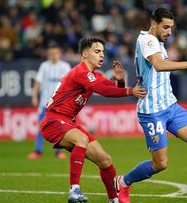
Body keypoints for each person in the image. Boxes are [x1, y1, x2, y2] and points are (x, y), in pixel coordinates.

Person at [115, 8, 187, 203]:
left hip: (170, 106)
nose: (169, 32)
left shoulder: (157, 42)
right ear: (153, 23)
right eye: (165, 27)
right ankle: (122, 182)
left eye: (171, 28)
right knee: (160, 164)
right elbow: (159, 65)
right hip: (152, 111)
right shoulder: (147, 40)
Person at [39, 36, 147, 203]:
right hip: (54, 120)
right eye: (97, 51)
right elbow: (102, 90)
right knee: (81, 139)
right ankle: (74, 191)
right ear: (84, 54)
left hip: (69, 122)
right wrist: (130, 90)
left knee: (105, 160)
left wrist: (120, 82)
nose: (102, 55)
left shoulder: (93, 75)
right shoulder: (80, 72)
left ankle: (114, 200)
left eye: (103, 52)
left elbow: (111, 89)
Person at [28, 42, 71, 159]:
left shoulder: (65, 67)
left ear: (59, 54)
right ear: (48, 54)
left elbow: (71, 85)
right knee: (41, 126)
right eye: (51, 53)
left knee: (59, 129)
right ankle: (38, 151)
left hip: (60, 104)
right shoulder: (44, 66)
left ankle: (58, 152)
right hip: (45, 103)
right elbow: (37, 83)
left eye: (55, 53)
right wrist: (34, 96)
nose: (53, 55)